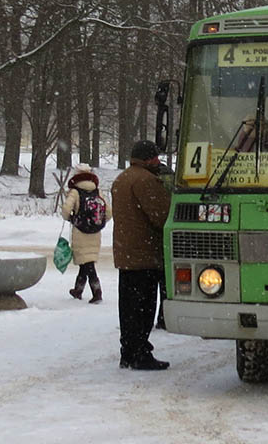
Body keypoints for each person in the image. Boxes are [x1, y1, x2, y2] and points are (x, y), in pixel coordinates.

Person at [111, 139, 172, 370]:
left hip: (126, 253)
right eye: (156, 157)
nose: (159, 161)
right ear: (148, 158)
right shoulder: (146, 180)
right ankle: (140, 353)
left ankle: (128, 352)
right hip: (145, 254)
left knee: (127, 308)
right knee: (144, 307)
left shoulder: (122, 178)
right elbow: (162, 215)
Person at [62, 164, 111, 303]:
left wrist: (72, 219)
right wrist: (99, 222)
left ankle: (97, 292)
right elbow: (109, 212)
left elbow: (66, 210)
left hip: (80, 231)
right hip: (95, 232)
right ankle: (78, 290)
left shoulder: (75, 191)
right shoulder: (97, 191)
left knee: (88, 263)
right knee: (86, 262)